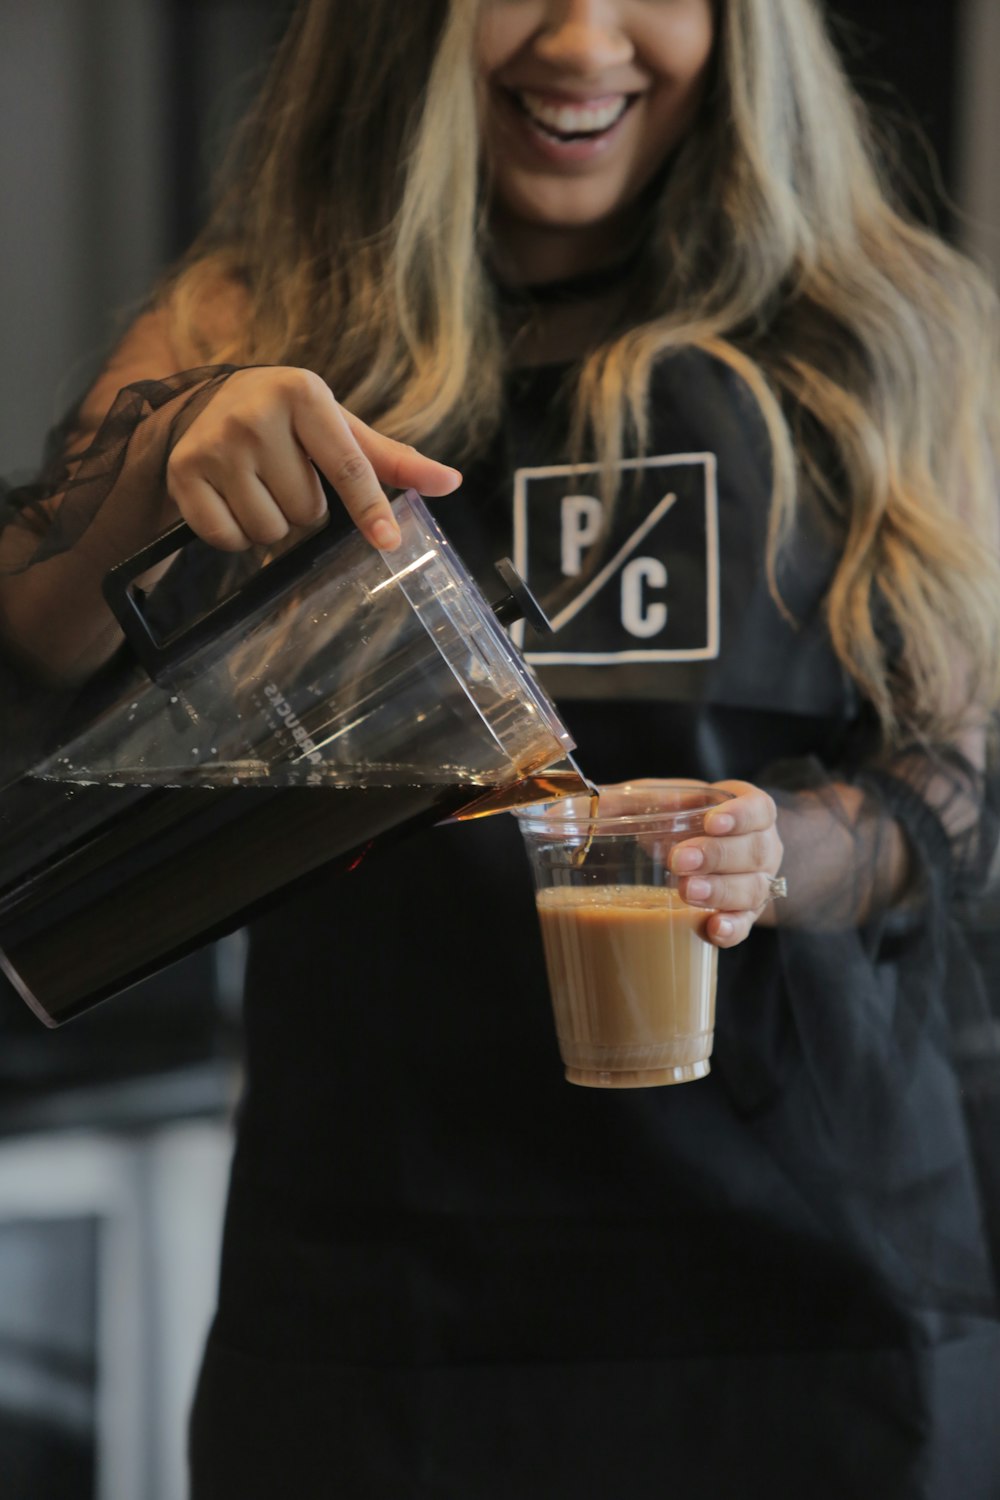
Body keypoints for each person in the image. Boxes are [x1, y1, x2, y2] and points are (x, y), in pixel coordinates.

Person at [1, 0, 999, 1494]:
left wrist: (788, 853)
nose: (583, 39)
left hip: (809, 1300)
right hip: (381, 1313)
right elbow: (32, 634)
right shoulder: (245, 319)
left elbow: (966, 775)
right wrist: (168, 451)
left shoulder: (879, 328)